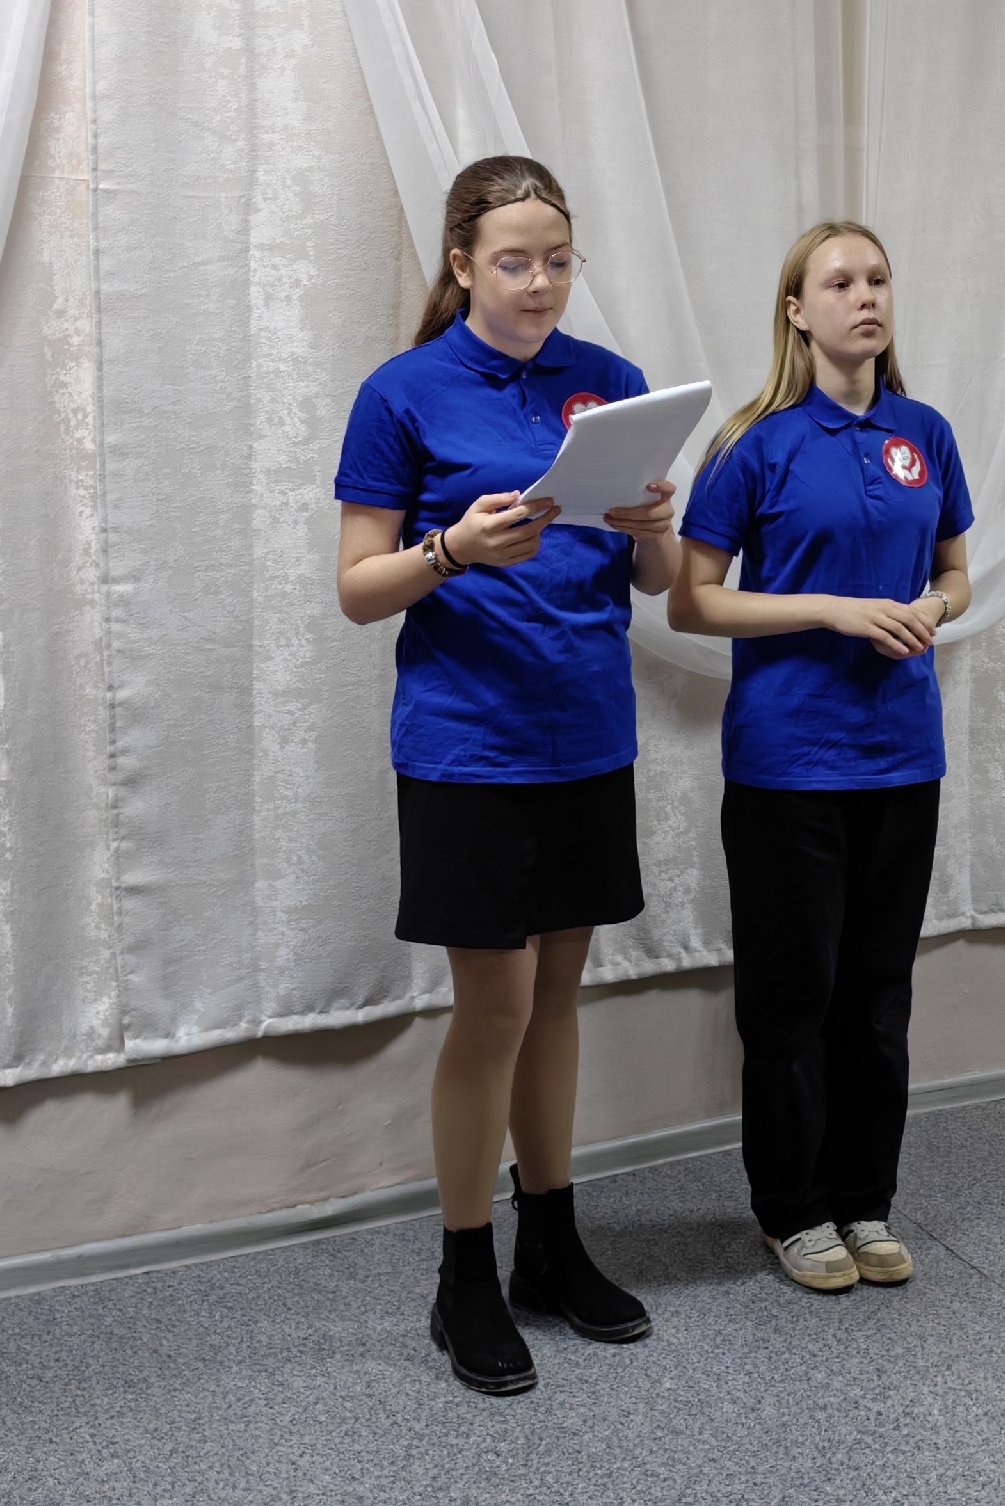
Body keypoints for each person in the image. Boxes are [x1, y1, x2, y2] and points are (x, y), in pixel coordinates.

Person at [334, 156, 678, 1396]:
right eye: (515, 261)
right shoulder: (402, 393)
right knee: (495, 1009)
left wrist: (654, 531)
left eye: (558, 260)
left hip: (586, 735)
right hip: (467, 747)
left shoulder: (613, 385)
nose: (540, 282)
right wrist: (451, 550)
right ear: (464, 265)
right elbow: (357, 589)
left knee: (559, 1001)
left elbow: (651, 583)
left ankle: (552, 1246)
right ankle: (464, 1274)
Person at [668, 221, 973, 1294]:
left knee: (878, 996)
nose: (865, 296)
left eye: (877, 278)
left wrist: (933, 609)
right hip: (788, 763)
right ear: (797, 312)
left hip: (903, 757)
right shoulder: (753, 443)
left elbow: (956, 574)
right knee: (792, 998)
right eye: (839, 282)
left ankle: (864, 1200)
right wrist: (832, 611)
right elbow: (692, 600)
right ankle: (791, 1211)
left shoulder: (924, 433)